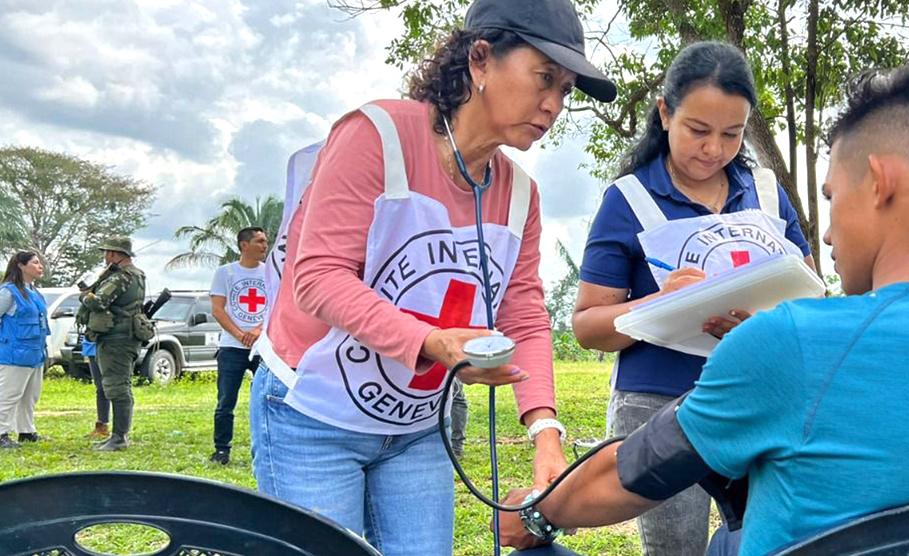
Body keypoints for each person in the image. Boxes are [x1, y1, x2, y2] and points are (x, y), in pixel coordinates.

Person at [499, 59, 909, 556]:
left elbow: (631, 473)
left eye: (831, 197)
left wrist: (535, 515)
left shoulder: (790, 343)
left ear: (879, 183)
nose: (825, 236)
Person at [248, 0, 616, 553]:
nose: (553, 105)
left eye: (565, 90)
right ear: (481, 60)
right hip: (311, 415)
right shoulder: (376, 135)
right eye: (545, 77)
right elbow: (318, 276)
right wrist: (430, 341)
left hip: (416, 427)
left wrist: (545, 432)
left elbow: (524, 315)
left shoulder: (520, 195)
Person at [570, 41, 812, 555]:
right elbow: (588, 325)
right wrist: (658, 304)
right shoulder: (629, 199)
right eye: (697, 131)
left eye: (732, 134)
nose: (713, 149)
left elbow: (811, 294)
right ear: (664, 112)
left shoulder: (766, 192)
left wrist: (766, 322)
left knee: (766, 543)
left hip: (755, 398)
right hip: (655, 406)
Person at [78, 237, 147, 452]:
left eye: (107, 252)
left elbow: (99, 302)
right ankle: (119, 435)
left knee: (116, 387)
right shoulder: (136, 275)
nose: (105, 257)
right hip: (123, 336)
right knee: (119, 385)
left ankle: (119, 437)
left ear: (115, 255)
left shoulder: (121, 277)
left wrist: (85, 296)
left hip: (116, 338)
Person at [207, 227, 269, 465]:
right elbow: (218, 309)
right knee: (225, 401)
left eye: (266, 242)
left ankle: (264, 448)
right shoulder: (225, 273)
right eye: (259, 241)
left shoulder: (270, 273)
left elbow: (277, 306)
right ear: (244, 245)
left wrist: (258, 331)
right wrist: (240, 334)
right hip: (232, 347)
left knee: (265, 399)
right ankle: (222, 449)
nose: (264, 246)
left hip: (262, 347)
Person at [0, 251, 50, 448]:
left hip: (35, 353)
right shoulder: (8, 292)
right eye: (35, 263)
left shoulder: (35, 292)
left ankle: (26, 431)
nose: (40, 267)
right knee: (8, 394)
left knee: (30, 395)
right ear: (21, 265)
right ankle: (1, 432)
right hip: (14, 353)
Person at [82, 338, 110, 439]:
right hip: (93, 347)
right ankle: (102, 424)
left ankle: (119, 429)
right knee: (101, 388)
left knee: (115, 389)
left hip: (109, 348)